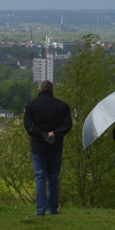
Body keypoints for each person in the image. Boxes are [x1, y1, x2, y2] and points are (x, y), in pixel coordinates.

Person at [24, 80, 72, 216]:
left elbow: (28, 125)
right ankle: (53, 208)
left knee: (40, 177)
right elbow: (68, 124)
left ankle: (40, 210)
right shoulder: (62, 106)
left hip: (38, 146)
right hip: (55, 146)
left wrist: (41, 135)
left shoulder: (31, 105)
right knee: (53, 178)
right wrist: (55, 134)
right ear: (52, 90)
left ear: (39, 90)